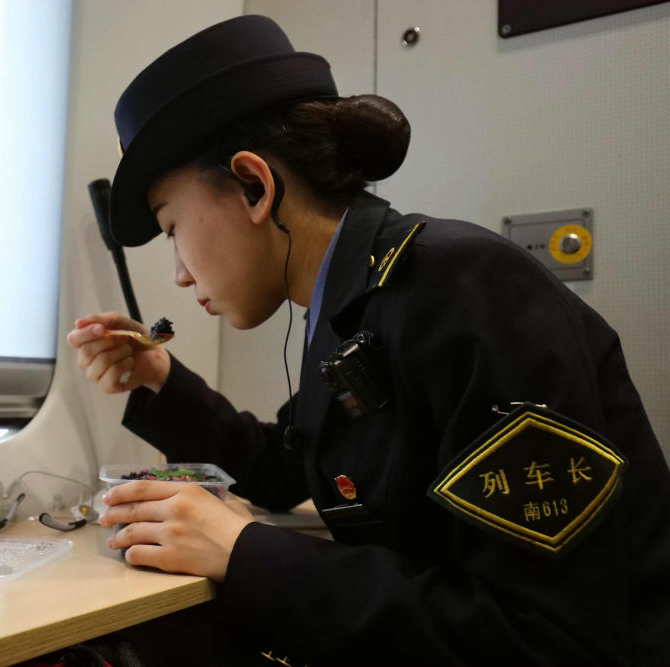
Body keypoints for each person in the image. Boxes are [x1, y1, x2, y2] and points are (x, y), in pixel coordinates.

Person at [67, 15, 670, 666]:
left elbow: (549, 638)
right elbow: (285, 467)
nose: (180, 274)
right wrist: (159, 377)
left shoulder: (461, 286)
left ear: (254, 186)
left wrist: (246, 552)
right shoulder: (351, 306)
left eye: (173, 229)